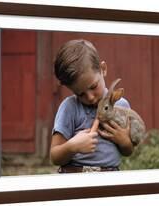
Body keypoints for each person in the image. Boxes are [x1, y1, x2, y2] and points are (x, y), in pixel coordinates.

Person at [50, 39, 134, 173]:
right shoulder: (70, 107)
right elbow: (54, 156)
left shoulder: (121, 105)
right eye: (80, 94)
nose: (90, 97)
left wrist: (123, 140)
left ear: (103, 69)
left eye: (93, 86)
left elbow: (128, 151)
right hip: (75, 175)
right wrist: (72, 147)